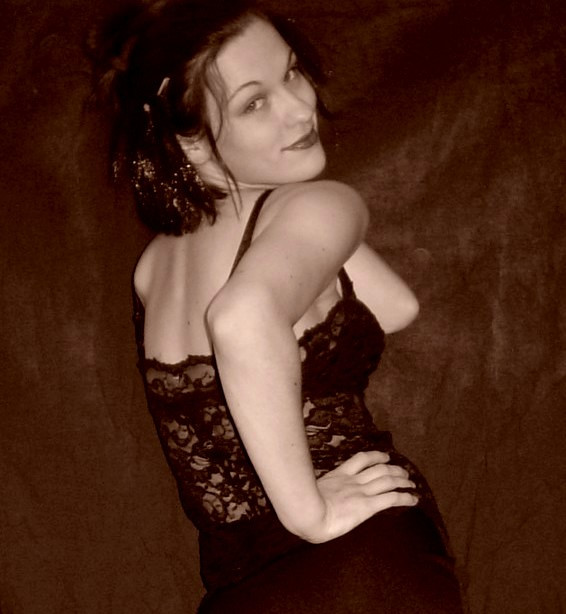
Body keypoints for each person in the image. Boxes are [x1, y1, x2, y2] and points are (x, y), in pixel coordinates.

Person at [89, 0, 463, 611]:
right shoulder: (321, 204)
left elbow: (394, 307)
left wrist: (307, 227)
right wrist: (310, 514)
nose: (299, 106)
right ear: (194, 144)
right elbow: (241, 321)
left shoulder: (154, 267)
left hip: (240, 585)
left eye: (290, 72)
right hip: (361, 556)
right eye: (254, 102)